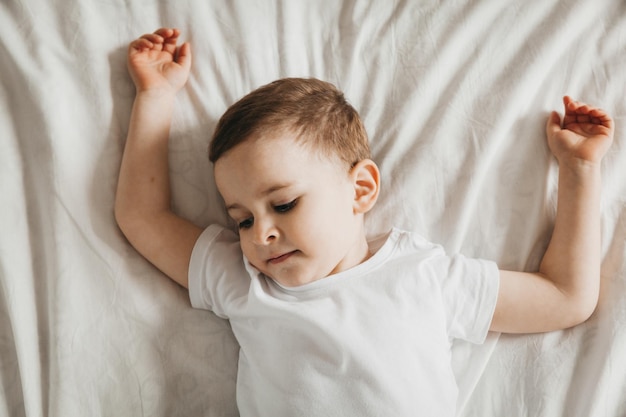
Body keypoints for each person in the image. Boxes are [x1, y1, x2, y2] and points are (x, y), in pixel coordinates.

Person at [115, 28, 614, 416]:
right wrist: (155, 98)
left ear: (361, 190)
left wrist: (580, 170)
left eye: (284, 204)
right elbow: (142, 216)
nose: (260, 234)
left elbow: (565, 297)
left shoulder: (424, 278)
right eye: (242, 220)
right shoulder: (244, 283)